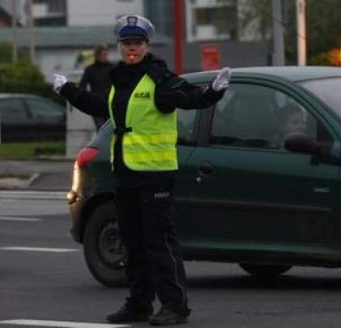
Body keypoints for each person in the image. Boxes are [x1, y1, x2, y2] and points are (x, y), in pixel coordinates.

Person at [52, 14, 230, 326]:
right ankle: (138, 305)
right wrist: (67, 89)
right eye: (126, 44)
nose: (131, 49)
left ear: (146, 46)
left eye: (137, 44)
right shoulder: (119, 79)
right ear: (119, 47)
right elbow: (100, 106)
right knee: (132, 243)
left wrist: (213, 92)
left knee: (159, 242)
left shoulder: (158, 78)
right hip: (125, 172)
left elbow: (188, 97)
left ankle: (175, 306)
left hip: (155, 174)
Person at [79, 44, 114, 130]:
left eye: (106, 54)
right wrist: (87, 98)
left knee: (111, 129)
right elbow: (82, 85)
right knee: (101, 129)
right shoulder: (90, 69)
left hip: (111, 103)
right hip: (96, 103)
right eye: (103, 55)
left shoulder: (112, 67)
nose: (105, 57)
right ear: (97, 55)